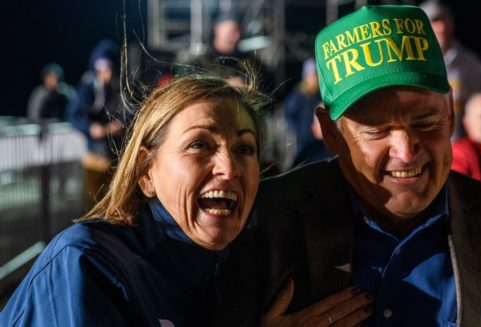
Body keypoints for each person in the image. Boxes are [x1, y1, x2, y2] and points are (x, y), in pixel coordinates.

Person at [215, 5, 481, 326]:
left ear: (451, 114)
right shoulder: (262, 223)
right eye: (377, 130)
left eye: (426, 123)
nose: (406, 151)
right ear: (331, 133)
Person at [0, 74, 268, 325]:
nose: (229, 168)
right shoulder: (88, 264)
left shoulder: (242, 270)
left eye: (244, 148)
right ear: (146, 171)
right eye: (199, 144)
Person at [66, 39, 126, 209]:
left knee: (118, 205)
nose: (104, 71)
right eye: (99, 66)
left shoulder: (121, 86)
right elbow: (73, 115)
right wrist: (91, 128)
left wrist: (121, 125)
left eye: (107, 66)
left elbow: (133, 112)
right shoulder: (88, 86)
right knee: (93, 206)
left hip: (118, 158)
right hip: (94, 157)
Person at [419, 0, 481, 141]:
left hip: (460, 151)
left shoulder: (470, 62)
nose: (441, 27)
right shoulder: (411, 62)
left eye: (445, 20)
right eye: (435, 21)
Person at [284, 58, 331, 168]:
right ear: (307, 76)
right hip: (305, 142)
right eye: (314, 75)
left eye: (317, 75)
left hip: (320, 141)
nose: (316, 78)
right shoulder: (298, 95)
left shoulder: (320, 94)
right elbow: (288, 115)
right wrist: (300, 131)